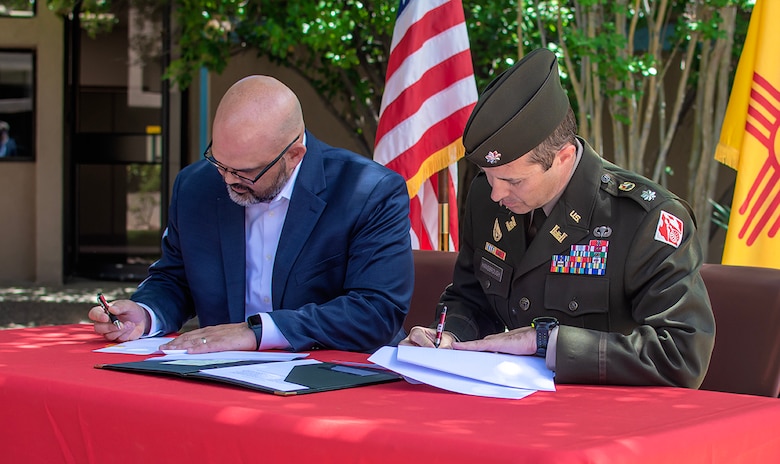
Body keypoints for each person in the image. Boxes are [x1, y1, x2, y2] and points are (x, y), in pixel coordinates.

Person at [402, 49, 715, 388]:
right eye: (488, 176)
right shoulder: (486, 197)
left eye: (513, 181)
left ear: (563, 156)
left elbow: (682, 355)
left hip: (603, 417)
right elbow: (470, 297)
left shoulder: (645, 218)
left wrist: (549, 342)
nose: (496, 194)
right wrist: (449, 336)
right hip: (506, 403)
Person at [90, 75, 414, 353]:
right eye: (219, 162)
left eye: (245, 172)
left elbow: (376, 311)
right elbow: (176, 279)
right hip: (222, 377)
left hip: (335, 380)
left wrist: (257, 332)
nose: (228, 180)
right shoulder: (195, 186)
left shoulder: (369, 192)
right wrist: (146, 313)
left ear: (294, 155)